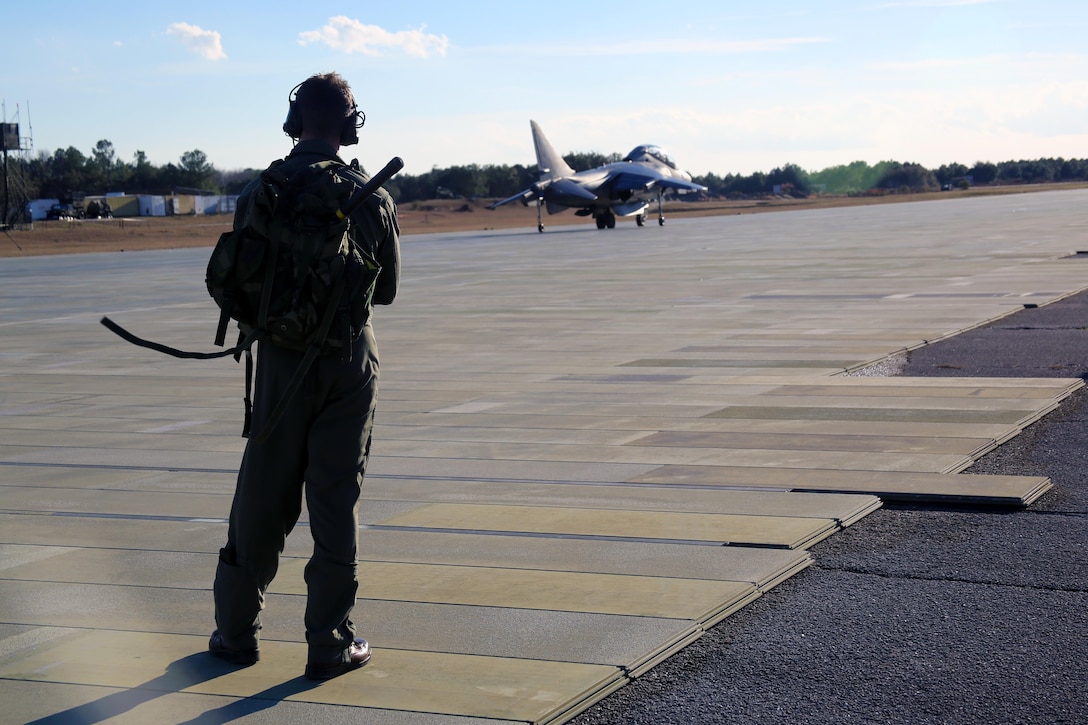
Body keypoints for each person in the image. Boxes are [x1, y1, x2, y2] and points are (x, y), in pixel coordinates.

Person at [208, 72, 400, 680]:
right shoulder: (369, 194)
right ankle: (329, 641)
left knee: (262, 491)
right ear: (349, 125)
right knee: (335, 497)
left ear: (295, 121)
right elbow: (387, 289)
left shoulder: (263, 189)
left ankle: (236, 633)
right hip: (347, 361)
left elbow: (239, 275)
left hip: (279, 361)